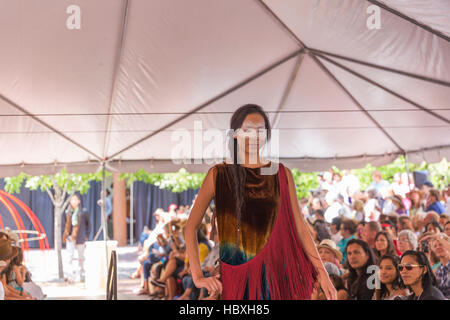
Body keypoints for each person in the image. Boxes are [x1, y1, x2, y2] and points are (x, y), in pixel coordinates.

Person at [184, 104, 336, 300]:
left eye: (260, 130)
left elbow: (300, 227)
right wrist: (197, 277)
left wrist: (322, 273)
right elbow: (190, 227)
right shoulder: (218, 174)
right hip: (236, 273)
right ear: (235, 134)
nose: (254, 136)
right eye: (247, 130)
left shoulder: (281, 173)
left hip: (276, 272)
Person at [62, 194, 91, 282]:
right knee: (69, 257)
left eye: (75, 200)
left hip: (80, 237)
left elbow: (88, 225)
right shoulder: (67, 212)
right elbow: (65, 225)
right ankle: (69, 275)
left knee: (80, 257)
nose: (73, 201)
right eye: (72, 200)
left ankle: (81, 274)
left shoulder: (83, 212)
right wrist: (66, 235)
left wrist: (86, 236)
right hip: (70, 237)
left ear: (79, 201)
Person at [430, 234, 450, 299]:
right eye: (435, 246)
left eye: (441, 244)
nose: (438, 247)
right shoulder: (437, 270)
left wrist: (440, 237)